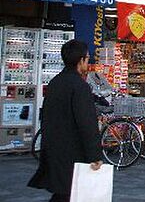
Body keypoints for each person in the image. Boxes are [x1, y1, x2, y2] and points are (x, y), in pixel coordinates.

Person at [28, 40, 102, 202]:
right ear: (81, 60)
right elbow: (87, 123)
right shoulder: (80, 86)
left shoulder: (55, 82)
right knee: (71, 192)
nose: (88, 62)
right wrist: (95, 155)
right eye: (87, 58)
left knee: (63, 192)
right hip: (74, 150)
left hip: (54, 147)